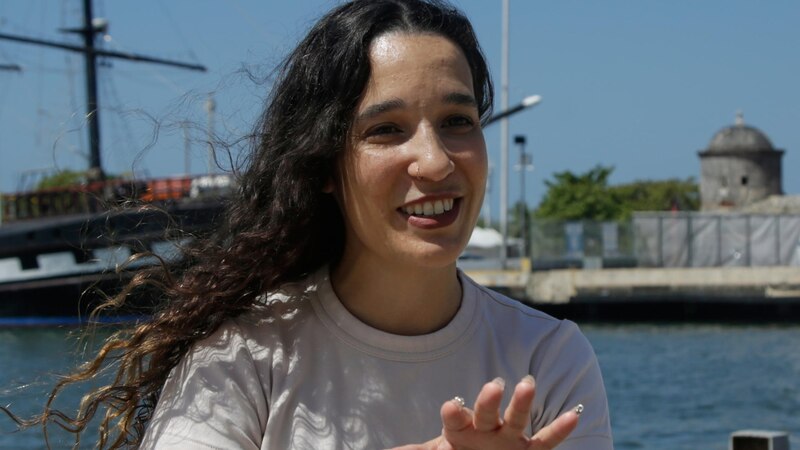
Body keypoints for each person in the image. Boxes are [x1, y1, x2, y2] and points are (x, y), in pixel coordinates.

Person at [17, 0, 613, 448]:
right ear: (323, 164)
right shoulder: (243, 354)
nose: (435, 161)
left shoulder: (550, 358)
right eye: (386, 130)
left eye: (458, 120)